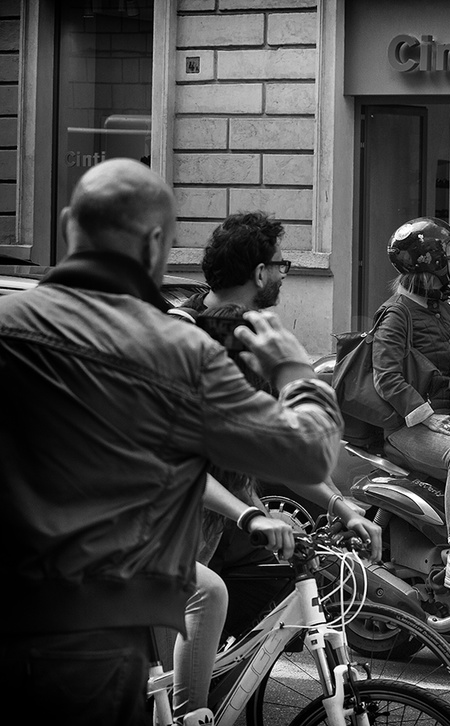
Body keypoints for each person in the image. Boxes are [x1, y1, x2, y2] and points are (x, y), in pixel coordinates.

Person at [0, 158, 343, 725]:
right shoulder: (176, 349)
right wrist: (293, 371)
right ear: (157, 244)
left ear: (65, 226)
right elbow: (307, 452)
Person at [169, 220, 382, 723]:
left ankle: (214, 682)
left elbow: (278, 451)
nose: (285, 274)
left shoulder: (245, 333)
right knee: (205, 611)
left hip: (213, 523)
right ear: (261, 272)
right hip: (167, 523)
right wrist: (250, 514)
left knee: (262, 583)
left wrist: (339, 504)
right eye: (281, 264)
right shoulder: (187, 337)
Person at [371, 217, 450, 594]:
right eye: (449, 257)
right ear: (432, 263)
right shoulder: (397, 314)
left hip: (449, 417)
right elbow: (386, 378)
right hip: (406, 428)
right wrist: (429, 418)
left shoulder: (446, 311)